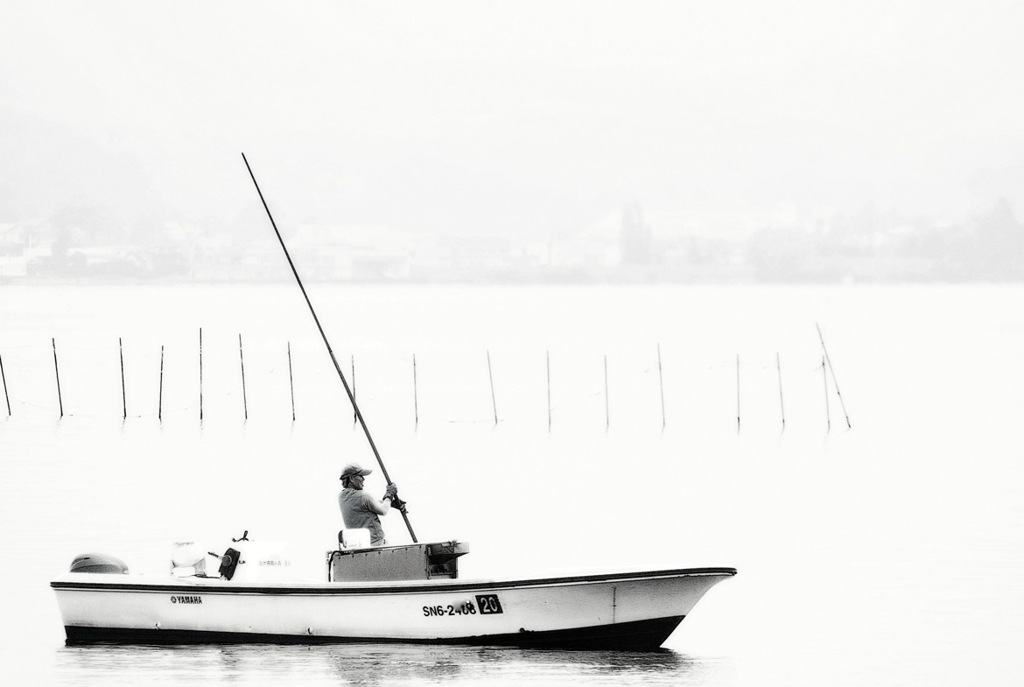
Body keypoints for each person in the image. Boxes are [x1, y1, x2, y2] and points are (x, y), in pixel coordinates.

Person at [338, 462, 399, 547]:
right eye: (361, 476)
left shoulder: (342, 496)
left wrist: (388, 502)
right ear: (352, 478)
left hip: (359, 547)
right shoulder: (363, 496)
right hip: (376, 545)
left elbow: (366, 504)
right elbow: (383, 510)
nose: (363, 479)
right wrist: (389, 494)